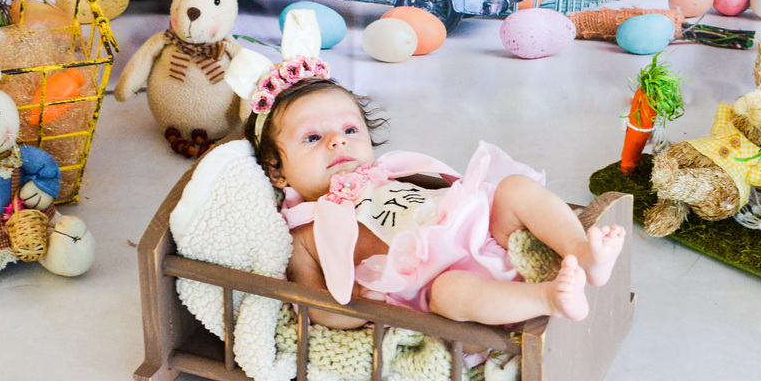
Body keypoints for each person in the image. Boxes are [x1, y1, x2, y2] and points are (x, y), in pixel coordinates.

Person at [243, 73, 626, 329]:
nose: (338, 140)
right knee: (449, 293)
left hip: (478, 227)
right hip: (435, 277)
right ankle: (546, 299)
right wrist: (359, 309)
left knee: (514, 188)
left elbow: (440, 183)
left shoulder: (388, 172)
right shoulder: (305, 232)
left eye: (349, 129)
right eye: (312, 138)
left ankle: (581, 251)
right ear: (277, 171)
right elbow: (313, 303)